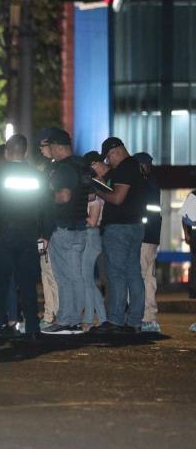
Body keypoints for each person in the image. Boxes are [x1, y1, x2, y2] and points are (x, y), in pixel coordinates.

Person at [0, 134, 49, 345]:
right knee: (27, 284)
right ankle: (33, 330)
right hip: (28, 234)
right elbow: (46, 207)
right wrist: (45, 233)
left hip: (4, 234)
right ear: (25, 152)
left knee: (0, 283)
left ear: (8, 152)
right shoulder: (37, 176)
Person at [92, 137, 146, 334]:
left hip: (119, 228)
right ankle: (134, 321)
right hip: (135, 226)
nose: (108, 162)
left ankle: (115, 320)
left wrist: (98, 191)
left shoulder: (125, 167)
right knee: (133, 274)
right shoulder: (136, 167)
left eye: (108, 158)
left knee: (116, 275)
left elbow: (116, 198)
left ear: (115, 152)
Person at [42, 130, 89, 335]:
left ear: (57, 146)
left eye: (50, 147)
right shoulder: (81, 166)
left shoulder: (63, 168)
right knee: (75, 276)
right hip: (79, 228)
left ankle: (65, 320)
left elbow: (64, 196)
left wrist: (43, 198)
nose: (49, 151)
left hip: (64, 228)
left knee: (63, 277)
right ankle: (74, 320)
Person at [35, 129, 61, 327]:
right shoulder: (49, 169)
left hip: (52, 231)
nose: (41, 149)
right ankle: (50, 314)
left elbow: (49, 205)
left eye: (44, 145)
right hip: (47, 229)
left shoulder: (56, 171)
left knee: (52, 274)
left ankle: (54, 315)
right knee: (47, 273)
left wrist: (46, 232)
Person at [81, 151, 108, 330]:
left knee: (86, 279)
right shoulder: (95, 188)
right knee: (87, 279)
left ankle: (94, 318)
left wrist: (75, 216)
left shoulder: (97, 190)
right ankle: (96, 318)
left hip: (92, 236)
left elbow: (92, 220)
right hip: (91, 237)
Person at [135, 152, 162, 332]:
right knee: (145, 275)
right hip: (149, 236)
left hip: (145, 236)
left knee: (145, 276)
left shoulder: (146, 184)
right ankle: (144, 316)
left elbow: (147, 213)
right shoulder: (150, 183)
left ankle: (148, 317)